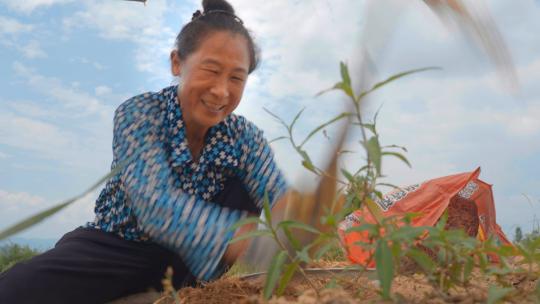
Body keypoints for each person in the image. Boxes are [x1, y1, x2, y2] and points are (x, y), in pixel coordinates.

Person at [0, 0, 288, 303]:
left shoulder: (245, 137)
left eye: (236, 78)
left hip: (190, 267)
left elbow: (279, 196)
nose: (221, 91)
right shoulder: (139, 114)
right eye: (211, 70)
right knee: (13, 291)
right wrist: (250, 245)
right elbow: (154, 204)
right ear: (178, 63)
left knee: (247, 181)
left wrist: (314, 220)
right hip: (115, 251)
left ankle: (189, 291)